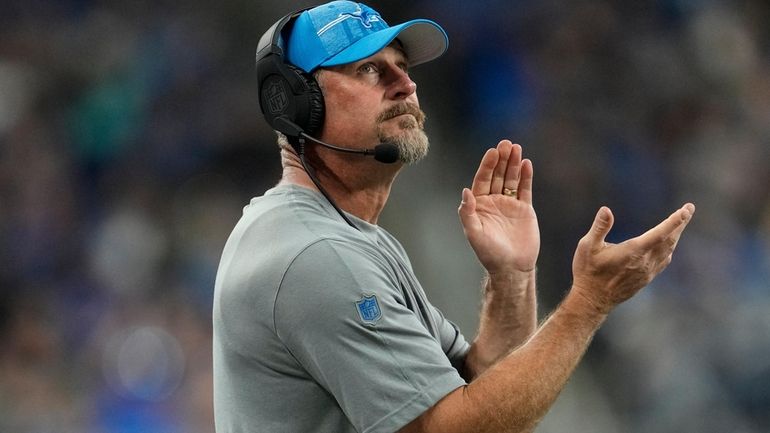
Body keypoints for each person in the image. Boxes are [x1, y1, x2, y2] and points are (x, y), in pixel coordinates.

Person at [212, 1, 695, 432]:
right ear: (296, 103)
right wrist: (588, 304)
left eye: (402, 67)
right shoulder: (319, 255)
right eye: (369, 70)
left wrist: (511, 278)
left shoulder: (345, 235)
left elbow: (478, 385)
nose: (406, 84)